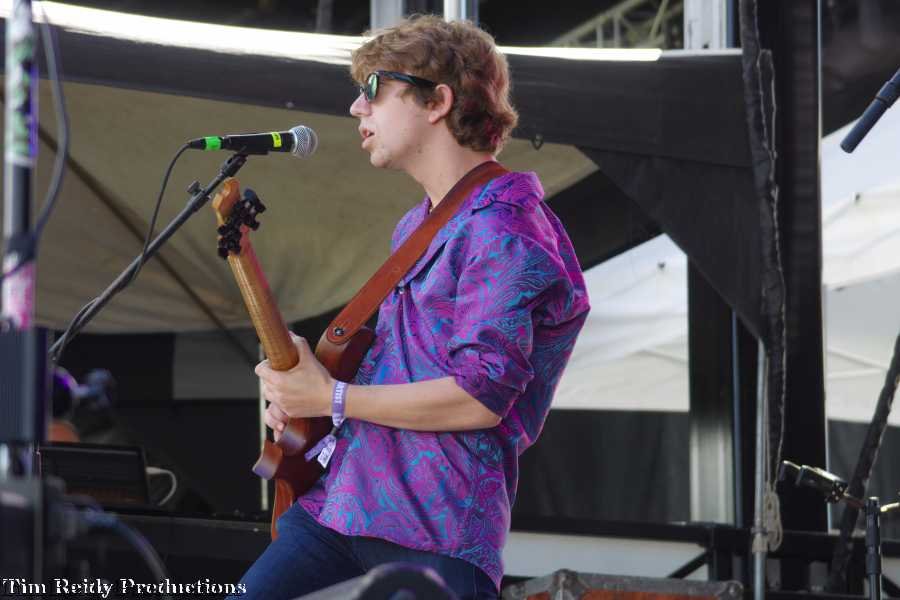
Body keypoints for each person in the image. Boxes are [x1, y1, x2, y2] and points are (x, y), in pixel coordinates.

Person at [233, 14, 590, 600]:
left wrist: (332, 397)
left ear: (437, 102)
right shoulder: (418, 225)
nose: (357, 107)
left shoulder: (505, 228)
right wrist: (310, 398)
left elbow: (479, 398)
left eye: (374, 88)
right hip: (340, 506)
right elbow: (405, 371)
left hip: (435, 532)